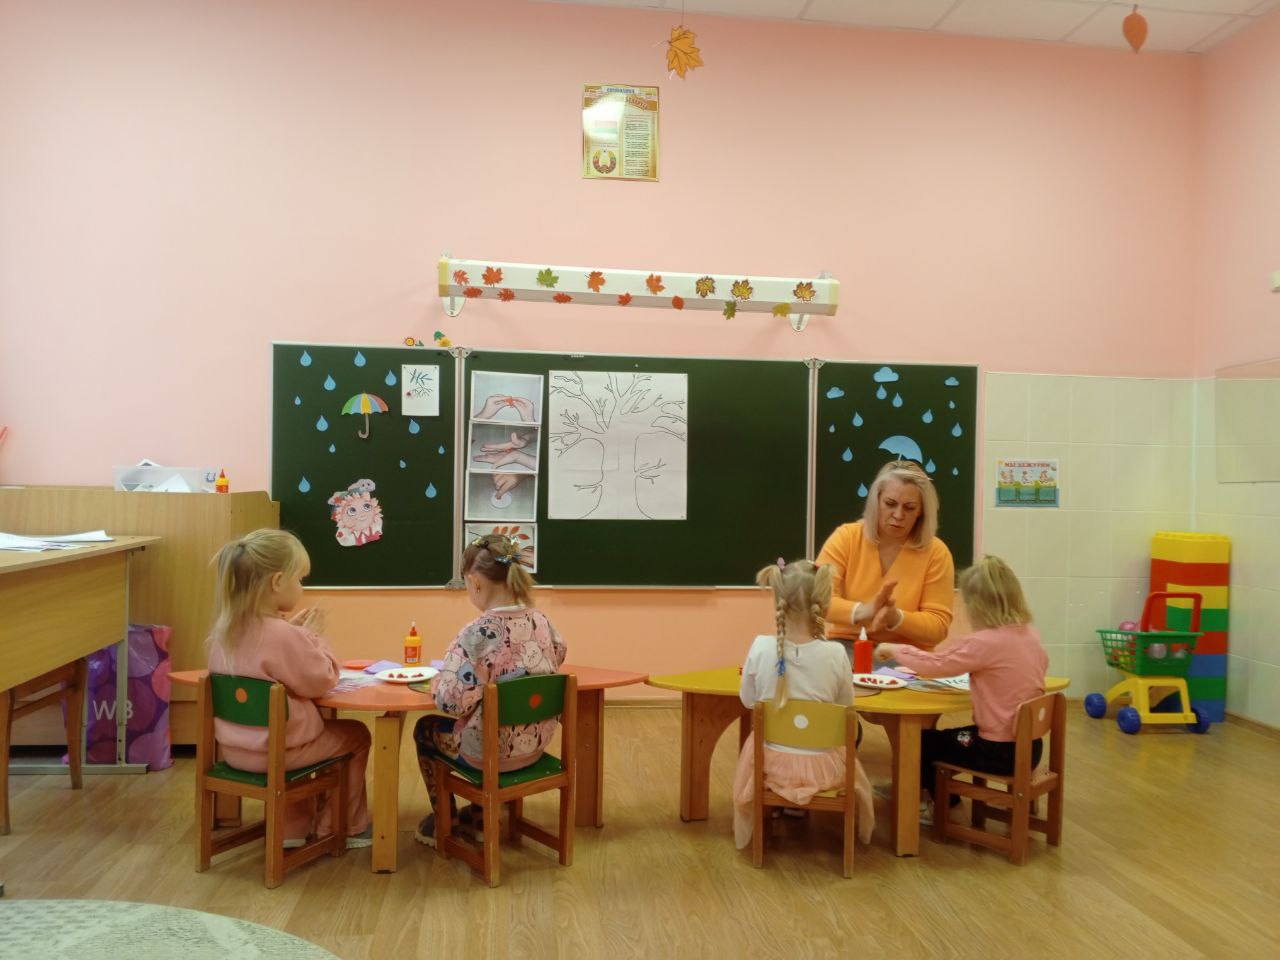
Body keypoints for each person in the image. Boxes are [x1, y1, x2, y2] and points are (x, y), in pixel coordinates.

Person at [206, 529, 372, 848]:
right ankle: (343, 826)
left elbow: (269, 659)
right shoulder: (283, 636)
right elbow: (322, 678)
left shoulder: (223, 632)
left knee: (292, 730)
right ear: (277, 581)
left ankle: (292, 828)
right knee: (356, 735)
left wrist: (294, 633)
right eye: (299, 579)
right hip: (278, 752)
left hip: (235, 752)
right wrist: (312, 637)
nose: (301, 587)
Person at [413, 533, 567, 845]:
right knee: (489, 721)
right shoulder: (541, 621)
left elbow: (452, 703)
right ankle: (481, 818)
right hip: (534, 746)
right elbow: (559, 653)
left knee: (426, 728)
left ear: (475, 582)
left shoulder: (476, 634)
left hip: (489, 754)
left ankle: (444, 823)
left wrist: (439, 682)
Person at [875, 555, 1047, 824]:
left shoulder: (985, 642)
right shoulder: (1030, 635)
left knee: (921, 744)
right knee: (946, 740)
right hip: (1031, 746)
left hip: (997, 751)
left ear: (977, 605)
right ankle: (939, 797)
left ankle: (949, 809)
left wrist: (896, 649)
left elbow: (937, 665)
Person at [731, 559, 874, 850]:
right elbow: (846, 709)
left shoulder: (760, 647)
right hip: (824, 769)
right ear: (825, 603)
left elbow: (748, 700)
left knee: (756, 741)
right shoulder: (836, 654)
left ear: (777, 600)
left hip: (770, 766)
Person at [816, 459, 955, 655]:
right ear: (876, 501)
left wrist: (896, 618)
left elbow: (937, 628)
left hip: (907, 655)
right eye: (890, 504)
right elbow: (817, 601)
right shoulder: (846, 537)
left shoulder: (937, 552)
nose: (898, 515)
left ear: (921, 512)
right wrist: (863, 611)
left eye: (909, 508)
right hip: (846, 646)